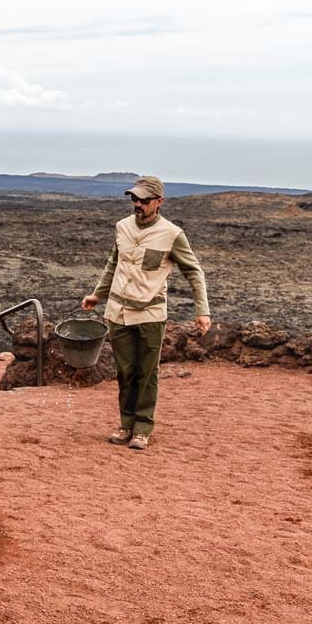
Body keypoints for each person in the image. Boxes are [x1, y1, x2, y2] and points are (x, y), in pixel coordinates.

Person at [81, 175, 211, 450]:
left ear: (159, 202)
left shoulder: (172, 234)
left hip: (150, 315)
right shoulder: (122, 227)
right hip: (117, 312)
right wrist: (97, 295)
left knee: (147, 372)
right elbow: (112, 264)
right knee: (126, 372)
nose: (137, 204)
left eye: (143, 200)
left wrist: (202, 311)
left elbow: (193, 272)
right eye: (134, 199)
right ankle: (125, 424)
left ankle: (142, 427)